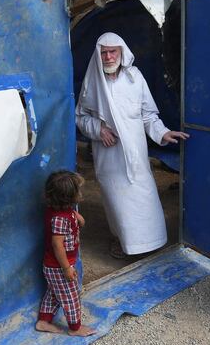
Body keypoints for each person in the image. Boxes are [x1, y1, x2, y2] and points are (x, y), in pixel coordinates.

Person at [75, 32, 188, 259]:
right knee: (117, 202)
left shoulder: (135, 77)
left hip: (136, 153)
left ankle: (150, 242)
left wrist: (163, 133)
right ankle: (125, 245)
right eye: (103, 52)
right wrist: (99, 130)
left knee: (143, 197)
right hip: (109, 155)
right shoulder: (92, 81)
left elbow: (147, 115)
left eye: (112, 51)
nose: (108, 56)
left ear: (121, 52)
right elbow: (80, 117)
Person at [35, 170, 96, 337]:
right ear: (69, 197)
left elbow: (77, 221)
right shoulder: (59, 218)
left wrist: (79, 219)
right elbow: (57, 245)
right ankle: (75, 328)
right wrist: (67, 268)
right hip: (59, 267)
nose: (81, 193)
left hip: (59, 265)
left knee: (54, 293)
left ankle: (43, 321)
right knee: (71, 297)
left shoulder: (65, 210)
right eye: (79, 191)